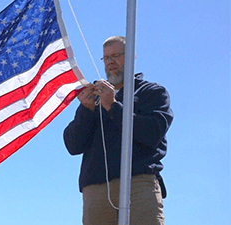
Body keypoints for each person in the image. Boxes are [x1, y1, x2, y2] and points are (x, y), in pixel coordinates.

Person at [63, 36, 173, 225]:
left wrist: (113, 106)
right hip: (96, 190)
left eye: (116, 55)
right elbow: (73, 145)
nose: (110, 62)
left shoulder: (151, 92)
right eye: (106, 58)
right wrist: (86, 111)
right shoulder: (94, 97)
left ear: (131, 57)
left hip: (138, 183)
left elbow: (152, 133)